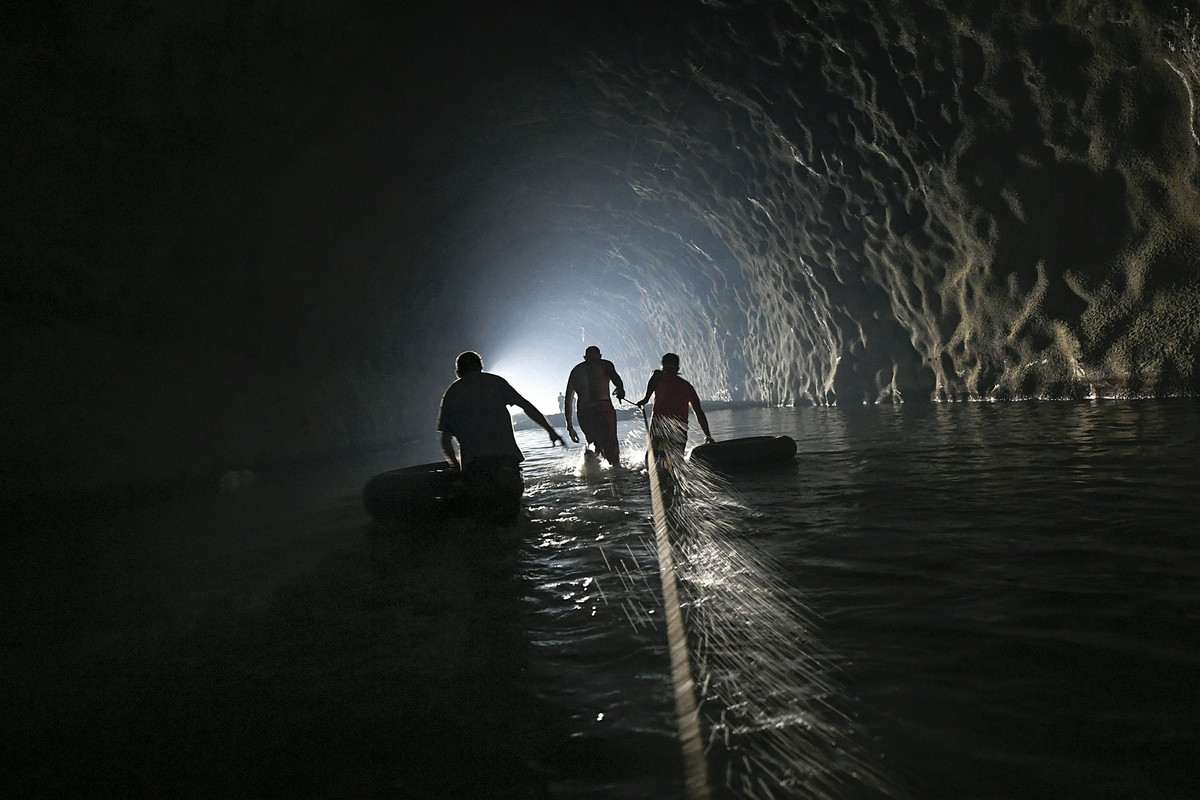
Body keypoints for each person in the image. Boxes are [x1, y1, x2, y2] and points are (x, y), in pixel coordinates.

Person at [438, 351, 566, 521]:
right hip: (506, 461)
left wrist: (456, 468)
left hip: (476, 467)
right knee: (512, 518)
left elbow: (446, 440)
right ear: (480, 366)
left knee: (488, 520)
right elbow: (526, 406)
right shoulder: (495, 382)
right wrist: (550, 431)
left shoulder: (452, 393)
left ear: (458, 371)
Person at [634, 352, 715, 466]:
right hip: (680, 428)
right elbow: (698, 412)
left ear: (662, 366)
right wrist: (707, 435)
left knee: (654, 460)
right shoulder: (687, 386)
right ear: (678, 368)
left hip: (660, 425)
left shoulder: (658, 377)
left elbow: (655, 375)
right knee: (676, 462)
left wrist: (646, 399)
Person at [564, 345, 627, 466]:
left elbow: (568, 400)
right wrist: (620, 390)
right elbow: (617, 380)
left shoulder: (576, 371)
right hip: (603, 408)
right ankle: (616, 471)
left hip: (584, 413)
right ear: (600, 356)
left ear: (584, 357)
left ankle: (591, 472)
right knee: (611, 446)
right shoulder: (605, 364)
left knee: (593, 445)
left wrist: (570, 427)